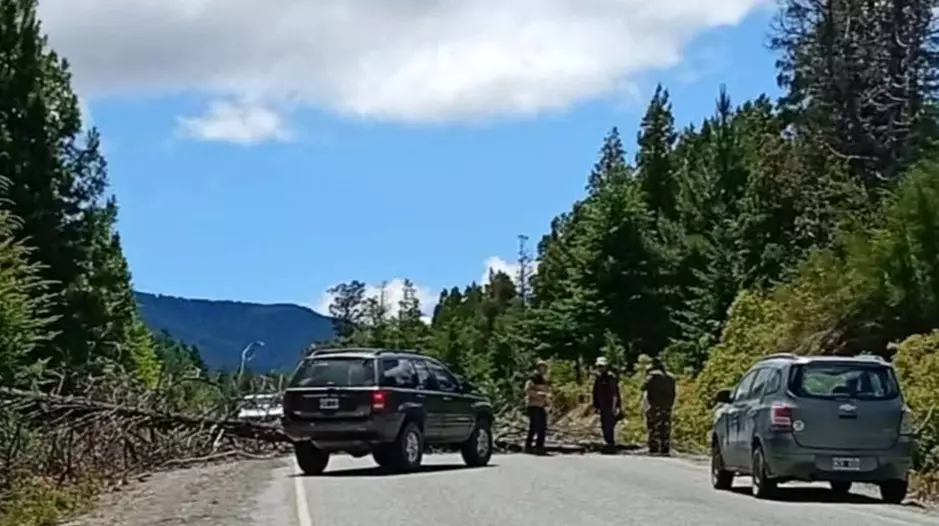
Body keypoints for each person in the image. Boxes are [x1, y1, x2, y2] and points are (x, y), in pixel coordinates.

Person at [640, 358, 676, 455]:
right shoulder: (671, 377)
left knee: (653, 426)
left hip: (654, 405)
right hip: (667, 406)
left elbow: (643, 387)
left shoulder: (652, 376)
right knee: (665, 427)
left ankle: (654, 448)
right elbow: (674, 392)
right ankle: (665, 448)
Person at [592, 356, 621, 452]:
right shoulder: (598, 378)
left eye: (602, 366)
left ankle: (610, 443)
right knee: (604, 424)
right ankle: (607, 443)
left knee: (609, 425)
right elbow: (595, 392)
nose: (600, 368)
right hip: (602, 405)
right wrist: (596, 405)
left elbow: (614, 393)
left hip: (609, 405)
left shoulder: (610, 377)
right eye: (599, 366)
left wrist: (614, 407)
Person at [524, 360, 550, 455]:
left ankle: (539, 446)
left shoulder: (543, 380)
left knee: (542, 426)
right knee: (534, 426)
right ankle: (528, 446)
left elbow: (546, 392)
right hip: (533, 405)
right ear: (538, 368)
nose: (544, 369)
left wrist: (547, 400)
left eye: (545, 367)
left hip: (541, 405)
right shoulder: (533, 378)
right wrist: (539, 395)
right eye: (542, 367)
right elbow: (527, 390)